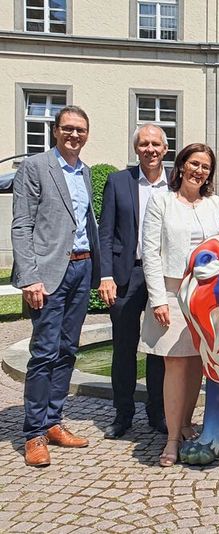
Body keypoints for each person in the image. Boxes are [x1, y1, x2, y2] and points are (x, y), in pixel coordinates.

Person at [11, 105, 101, 467]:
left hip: (81, 269)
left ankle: (53, 422)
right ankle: (33, 433)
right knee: (44, 353)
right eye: (68, 128)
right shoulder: (35, 168)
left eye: (80, 129)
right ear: (55, 131)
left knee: (67, 350)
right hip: (48, 276)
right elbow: (22, 225)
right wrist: (29, 276)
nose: (74, 135)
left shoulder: (86, 172)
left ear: (86, 133)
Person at [139, 143, 219, 466]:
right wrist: (157, 299)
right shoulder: (162, 201)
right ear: (181, 165)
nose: (199, 170)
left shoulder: (215, 204)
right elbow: (149, 252)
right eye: (194, 163)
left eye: (205, 166)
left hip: (204, 295)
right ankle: (172, 438)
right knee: (175, 365)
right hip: (172, 294)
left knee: (196, 364)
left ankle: (189, 423)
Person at [98, 124, 169, 439]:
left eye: (156, 144)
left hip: (162, 278)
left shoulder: (176, 186)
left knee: (159, 349)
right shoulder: (117, 182)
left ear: (165, 149)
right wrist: (105, 274)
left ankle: (158, 413)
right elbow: (105, 231)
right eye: (144, 144)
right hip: (126, 275)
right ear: (136, 149)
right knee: (123, 349)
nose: (150, 149)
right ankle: (123, 414)